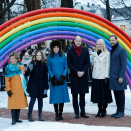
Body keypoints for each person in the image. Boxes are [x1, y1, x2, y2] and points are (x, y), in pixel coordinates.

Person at [67, 36, 90, 119]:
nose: (78, 42)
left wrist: (83, 71)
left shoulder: (85, 50)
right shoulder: (70, 51)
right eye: (77, 41)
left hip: (83, 76)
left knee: (82, 95)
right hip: (74, 76)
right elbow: (69, 63)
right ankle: (76, 113)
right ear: (74, 41)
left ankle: (83, 112)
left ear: (81, 41)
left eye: (79, 41)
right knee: (75, 95)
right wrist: (77, 71)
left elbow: (88, 63)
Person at [47, 40, 70, 121]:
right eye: (54, 47)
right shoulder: (49, 57)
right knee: (55, 97)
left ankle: (60, 113)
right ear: (52, 48)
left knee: (61, 97)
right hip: (54, 80)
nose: (56, 48)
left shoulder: (63, 56)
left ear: (59, 48)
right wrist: (52, 77)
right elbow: (48, 68)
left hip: (61, 80)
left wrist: (63, 76)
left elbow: (66, 67)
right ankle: (56, 113)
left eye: (57, 47)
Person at [5, 52, 28, 125]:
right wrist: (8, 89)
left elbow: (24, 76)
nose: (11, 60)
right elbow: (7, 79)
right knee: (13, 104)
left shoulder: (21, 65)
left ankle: (17, 118)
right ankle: (13, 119)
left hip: (20, 88)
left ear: (16, 58)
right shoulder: (8, 67)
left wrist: (23, 71)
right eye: (10, 58)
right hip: (13, 88)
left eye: (12, 58)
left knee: (18, 103)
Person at [91, 39, 112, 117]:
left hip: (103, 76)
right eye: (97, 44)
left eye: (100, 44)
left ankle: (104, 110)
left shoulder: (107, 53)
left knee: (104, 95)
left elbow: (107, 65)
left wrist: (106, 76)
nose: (98, 45)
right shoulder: (93, 54)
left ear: (102, 45)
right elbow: (93, 64)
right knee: (97, 95)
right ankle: (99, 109)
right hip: (96, 76)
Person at [25, 50, 48, 122]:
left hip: (41, 85)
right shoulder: (32, 63)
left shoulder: (44, 65)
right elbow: (26, 74)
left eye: (40, 55)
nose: (38, 56)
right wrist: (29, 69)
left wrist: (46, 87)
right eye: (37, 55)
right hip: (33, 85)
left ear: (42, 56)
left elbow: (46, 77)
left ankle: (40, 115)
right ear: (35, 56)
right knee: (33, 100)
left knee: (40, 100)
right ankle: (29, 115)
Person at [109, 35, 127, 118]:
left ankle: (121, 111)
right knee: (116, 94)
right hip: (113, 77)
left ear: (116, 40)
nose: (112, 42)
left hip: (119, 77)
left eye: (113, 40)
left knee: (120, 95)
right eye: (110, 40)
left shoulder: (121, 50)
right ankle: (118, 110)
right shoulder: (112, 50)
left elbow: (124, 65)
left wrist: (121, 76)